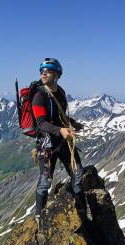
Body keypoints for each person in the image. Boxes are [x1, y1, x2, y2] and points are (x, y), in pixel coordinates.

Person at [31, 57, 85, 223]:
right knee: (45, 182)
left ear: (57, 75)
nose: (44, 74)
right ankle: (39, 217)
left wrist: (72, 123)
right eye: (42, 71)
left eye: (48, 71)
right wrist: (60, 130)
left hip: (62, 141)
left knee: (77, 173)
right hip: (47, 144)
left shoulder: (60, 92)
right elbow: (41, 123)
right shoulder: (39, 96)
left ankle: (81, 210)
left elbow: (59, 115)